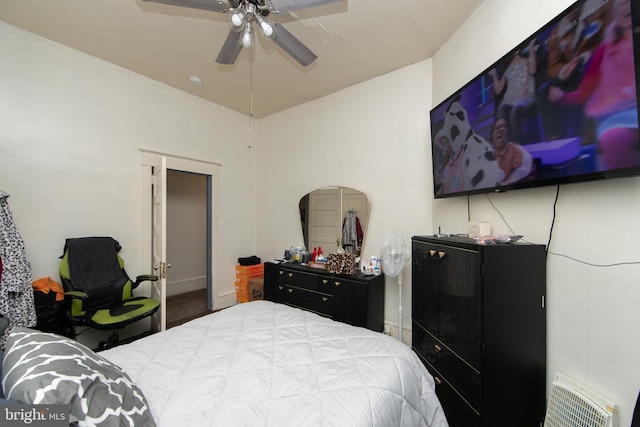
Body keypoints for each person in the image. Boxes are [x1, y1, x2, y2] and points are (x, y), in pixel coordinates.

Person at [549, 0, 639, 169]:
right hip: (621, 118)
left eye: (629, 2)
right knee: (613, 138)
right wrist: (562, 96)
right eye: (622, 5)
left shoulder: (593, 13)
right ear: (615, 15)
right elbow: (584, 92)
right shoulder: (603, 50)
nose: (627, 7)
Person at [488, 39, 539, 142]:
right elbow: (498, 90)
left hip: (525, 97)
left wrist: (531, 45)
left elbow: (533, 70)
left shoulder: (526, 61)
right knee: (501, 110)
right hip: (510, 100)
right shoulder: (508, 69)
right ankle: (502, 145)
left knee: (515, 110)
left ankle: (516, 144)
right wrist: (494, 75)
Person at [491, 117, 533, 185]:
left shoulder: (517, 151)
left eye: (502, 126)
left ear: (509, 131)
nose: (498, 130)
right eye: (495, 129)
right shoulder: (489, 156)